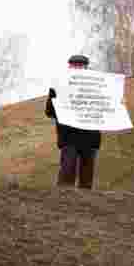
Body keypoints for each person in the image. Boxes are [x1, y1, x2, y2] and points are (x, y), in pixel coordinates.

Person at [45, 55, 102, 189]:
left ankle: (84, 205)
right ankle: (63, 203)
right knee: (69, 172)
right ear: (69, 67)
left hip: (87, 136)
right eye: (75, 66)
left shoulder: (99, 87)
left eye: (79, 66)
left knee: (84, 175)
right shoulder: (58, 85)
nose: (77, 69)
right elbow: (49, 111)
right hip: (72, 136)